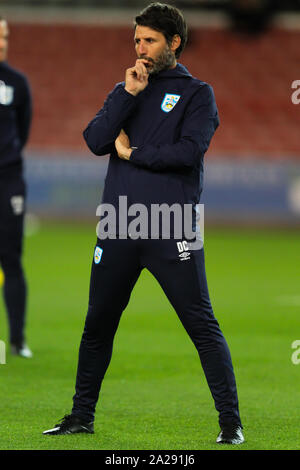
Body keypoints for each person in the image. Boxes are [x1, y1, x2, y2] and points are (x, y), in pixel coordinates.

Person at [43, 3, 244, 444]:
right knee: (97, 325)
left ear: (173, 43)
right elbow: (95, 140)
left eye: (150, 40)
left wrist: (133, 154)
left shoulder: (197, 94)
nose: (141, 49)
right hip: (118, 224)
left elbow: (188, 153)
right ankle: (81, 416)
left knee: (201, 325)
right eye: (137, 40)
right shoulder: (127, 90)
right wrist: (126, 95)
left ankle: (230, 423)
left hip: (172, 226)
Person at [0, 17, 32, 358]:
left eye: (4, 36)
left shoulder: (17, 83)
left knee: (11, 259)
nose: (2, 42)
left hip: (9, 181)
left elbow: (22, 132)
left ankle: (18, 339)